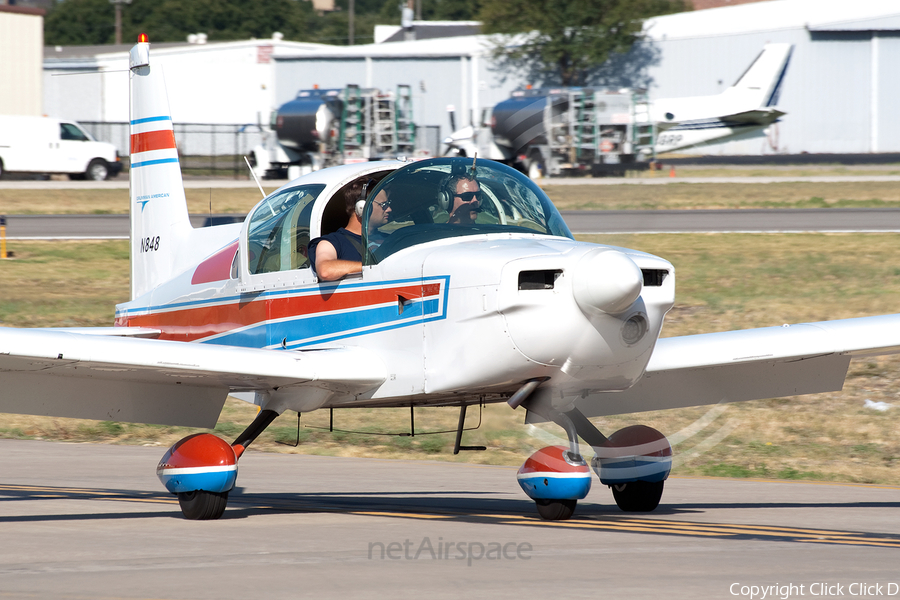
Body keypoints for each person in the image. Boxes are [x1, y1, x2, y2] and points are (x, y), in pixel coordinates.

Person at [308, 179, 391, 280]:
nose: (389, 209)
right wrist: (374, 268)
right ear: (362, 207)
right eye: (383, 205)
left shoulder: (392, 239)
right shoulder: (332, 242)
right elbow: (325, 270)